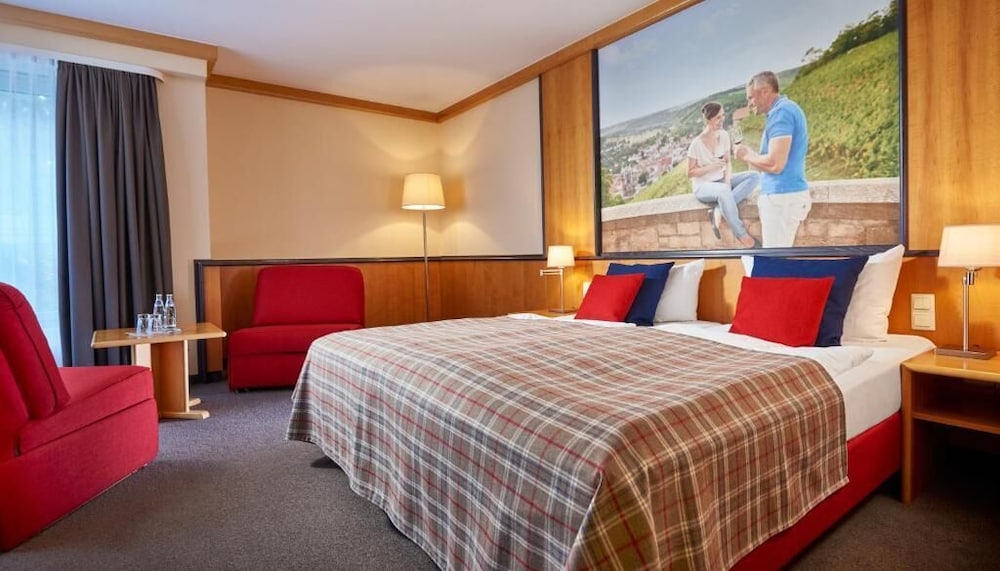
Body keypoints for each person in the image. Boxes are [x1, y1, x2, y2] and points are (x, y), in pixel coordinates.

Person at [735, 71, 810, 248]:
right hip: (784, 197)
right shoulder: (784, 110)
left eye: (751, 97)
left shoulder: (781, 112)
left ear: (765, 92)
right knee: (778, 257)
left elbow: (775, 164)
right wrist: (753, 156)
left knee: (775, 259)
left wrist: (746, 155)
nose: (749, 103)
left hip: (782, 198)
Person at [687, 101, 761, 248]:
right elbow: (690, 173)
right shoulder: (696, 144)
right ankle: (743, 236)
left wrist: (727, 181)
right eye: (718, 118)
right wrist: (711, 167)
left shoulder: (724, 135)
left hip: (721, 180)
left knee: (754, 176)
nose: (722, 120)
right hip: (703, 186)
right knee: (723, 191)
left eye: (722, 116)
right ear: (708, 120)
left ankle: (719, 209)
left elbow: (728, 162)